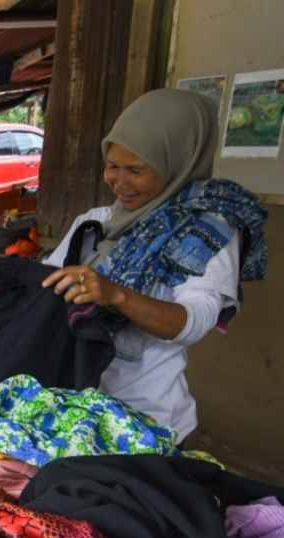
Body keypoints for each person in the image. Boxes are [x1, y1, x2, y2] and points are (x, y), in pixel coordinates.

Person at [42, 88, 267, 445]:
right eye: (112, 166)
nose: (118, 181)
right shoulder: (94, 223)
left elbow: (194, 322)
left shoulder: (207, 231)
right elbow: (46, 285)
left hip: (149, 421)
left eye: (136, 170)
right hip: (78, 409)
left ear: (178, 164)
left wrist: (115, 294)